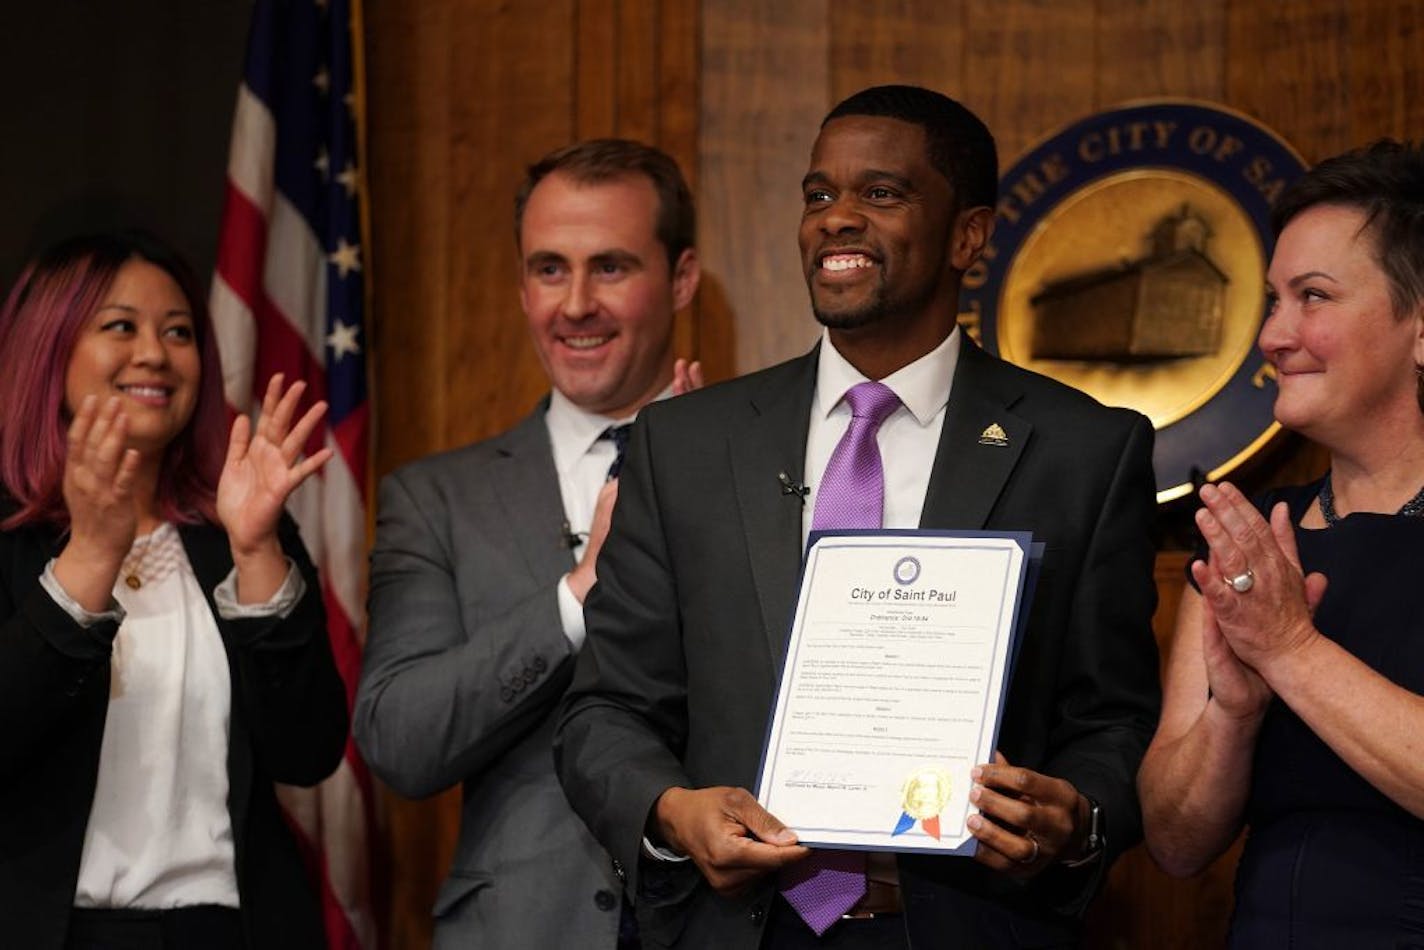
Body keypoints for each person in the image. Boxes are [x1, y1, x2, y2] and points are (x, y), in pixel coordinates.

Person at [554, 85, 1161, 949]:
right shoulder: (684, 444)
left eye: (880, 194)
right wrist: (675, 810)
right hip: (734, 927)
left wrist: (1076, 814)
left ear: (969, 235)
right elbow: (605, 712)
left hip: (961, 923)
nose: (836, 218)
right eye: (818, 195)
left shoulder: (1083, 452)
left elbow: (1116, 722)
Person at [353, 138, 702, 948]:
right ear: (521, 284)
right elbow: (400, 739)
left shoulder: (767, 468)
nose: (575, 303)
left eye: (610, 267)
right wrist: (576, 598)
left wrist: (708, 480)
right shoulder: (436, 498)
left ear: (681, 278)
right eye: (549, 268)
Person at [0, 230, 348, 949]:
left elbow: (307, 752)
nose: (155, 354)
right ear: (49, 347)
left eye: (179, 331)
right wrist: (94, 552)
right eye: (120, 326)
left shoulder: (238, 531)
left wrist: (256, 553)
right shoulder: (12, 538)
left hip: (232, 932)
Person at [1138, 140, 1424, 946]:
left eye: (1315, 297)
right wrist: (1235, 710)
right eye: (1274, 300)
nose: (1273, 335)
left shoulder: (1271, 609)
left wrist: (1291, 651)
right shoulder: (1249, 543)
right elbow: (1174, 841)